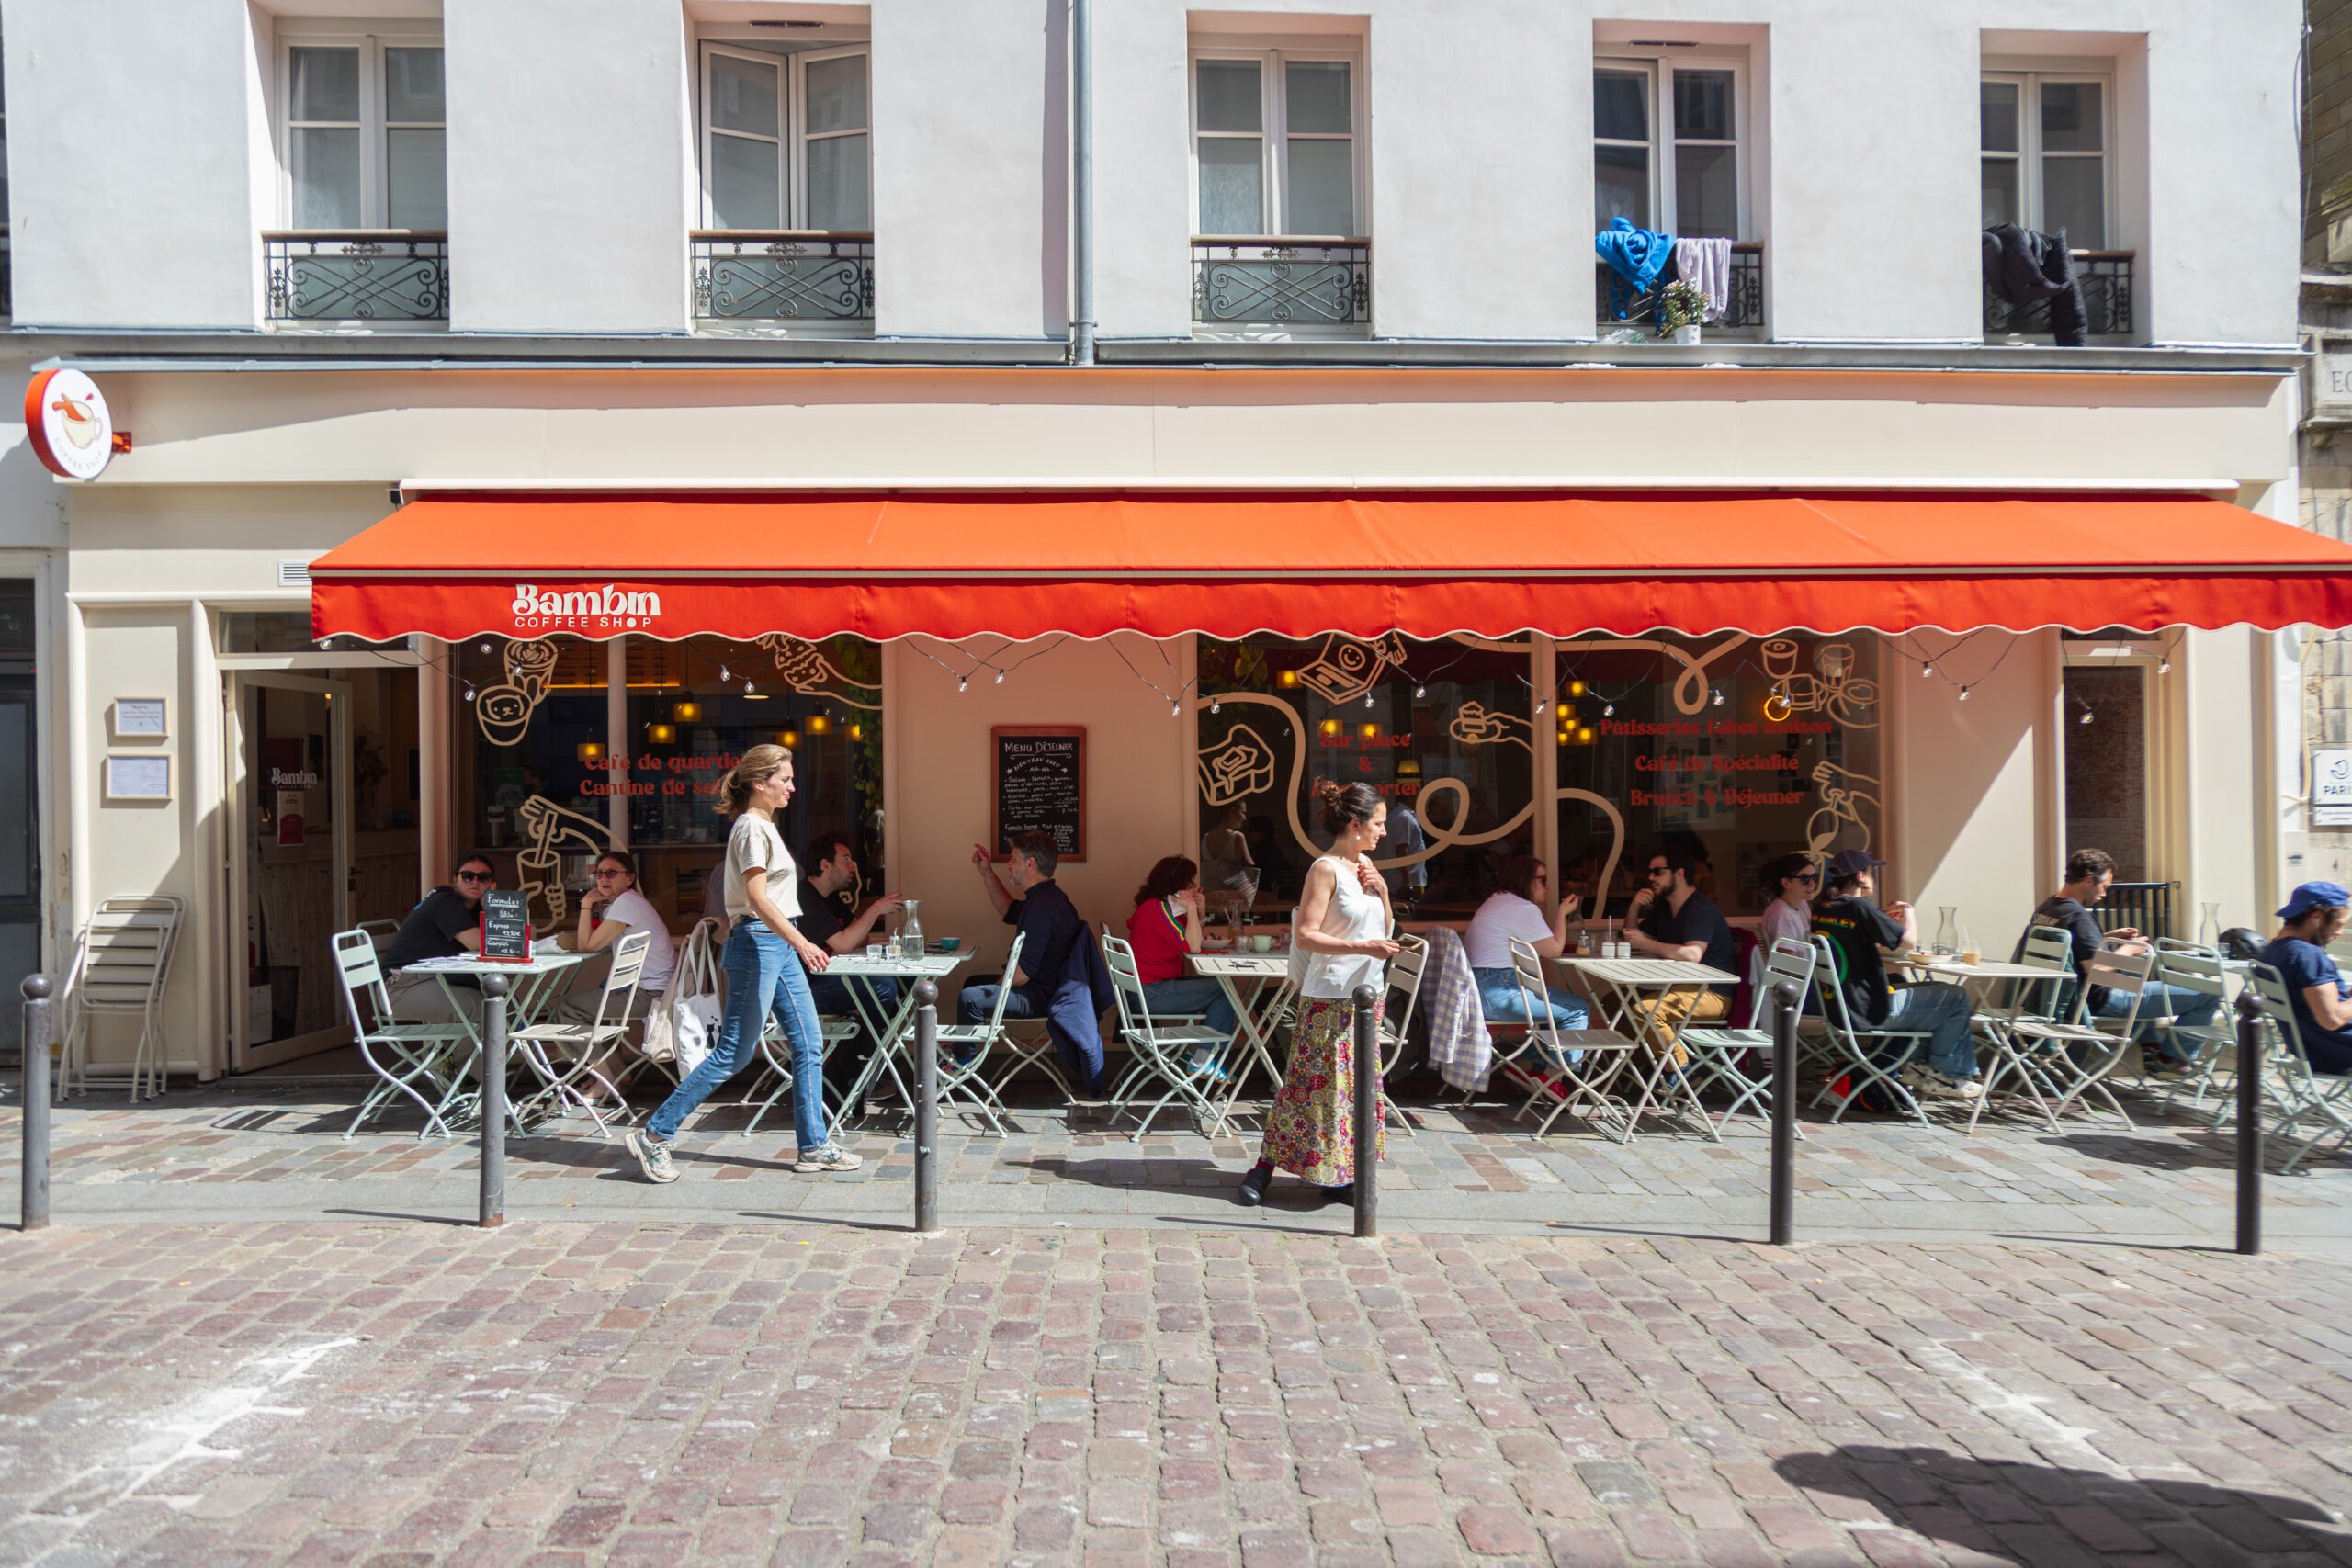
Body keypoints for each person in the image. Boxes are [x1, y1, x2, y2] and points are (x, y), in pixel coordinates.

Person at [625, 745, 860, 1183]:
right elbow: (756, 899)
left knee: (809, 1045)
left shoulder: (763, 826)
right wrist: (803, 942)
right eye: (785, 779)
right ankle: (655, 1134)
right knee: (734, 1052)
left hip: (777, 942)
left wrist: (793, 942)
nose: (792, 785)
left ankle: (813, 1146)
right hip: (760, 941)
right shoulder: (752, 827)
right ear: (760, 782)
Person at [1237, 781, 1398, 1207]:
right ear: (1354, 823)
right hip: (1329, 997)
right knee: (1308, 1088)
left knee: (1351, 1091)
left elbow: (1383, 930)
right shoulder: (1324, 869)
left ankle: (1341, 1175)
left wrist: (1382, 892)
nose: (1383, 831)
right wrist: (1364, 947)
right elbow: (1307, 935)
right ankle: (1263, 1168)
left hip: (1365, 997)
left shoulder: (1363, 867)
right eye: (1378, 823)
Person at [2014, 847, 2222, 1061]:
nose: (2104, 894)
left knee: (2135, 976)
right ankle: (2171, 1059)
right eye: (2104, 887)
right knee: (2208, 995)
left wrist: (2107, 936)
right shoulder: (2078, 915)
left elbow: (2069, 947)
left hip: (2061, 997)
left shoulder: (2048, 908)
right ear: (2088, 880)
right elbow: (2097, 968)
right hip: (2103, 998)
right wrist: (2130, 949)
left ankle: (2150, 1042)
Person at [1811, 850, 1981, 1099]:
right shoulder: (1860, 908)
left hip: (1838, 1007)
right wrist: (1909, 912)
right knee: (1955, 997)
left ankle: (1918, 1068)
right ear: (1861, 875)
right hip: (1868, 1011)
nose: (1874, 877)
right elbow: (1910, 941)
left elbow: (1853, 941)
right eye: (1871, 872)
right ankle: (1950, 1076)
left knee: (1921, 989)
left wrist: (1881, 922)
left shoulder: (1822, 909)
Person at [960, 831, 1101, 1095]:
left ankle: (961, 1065)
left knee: (971, 998)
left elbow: (1022, 974)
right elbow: (1008, 910)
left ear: (1030, 864)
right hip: (1042, 986)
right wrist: (986, 873)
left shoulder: (1044, 908)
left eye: (1013, 859)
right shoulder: (1045, 898)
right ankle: (965, 1054)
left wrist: (996, 988)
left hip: (1040, 995)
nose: (1008, 865)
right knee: (973, 984)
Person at [796, 830, 905, 1099]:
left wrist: (854, 933)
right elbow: (846, 943)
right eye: (845, 859)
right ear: (825, 865)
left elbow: (859, 937)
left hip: (831, 977)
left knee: (905, 983)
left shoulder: (830, 897)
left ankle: (862, 1067)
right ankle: (858, 1070)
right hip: (808, 988)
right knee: (881, 986)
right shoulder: (806, 898)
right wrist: (876, 909)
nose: (852, 866)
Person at [1124, 855, 1238, 1071]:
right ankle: (1202, 1058)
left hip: (1145, 990)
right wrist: (1193, 909)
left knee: (1222, 986)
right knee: (1224, 988)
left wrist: (1199, 912)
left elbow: (1191, 937)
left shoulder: (1156, 908)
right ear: (1177, 885)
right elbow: (1194, 946)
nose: (1195, 887)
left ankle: (1199, 1053)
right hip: (1150, 994)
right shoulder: (1158, 911)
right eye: (1190, 882)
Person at [1463, 854, 1590, 1032]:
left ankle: (1541, 1057)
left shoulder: (1498, 900)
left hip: (1480, 990)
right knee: (1578, 1010)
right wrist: (1562, 913)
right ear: (1525, 880)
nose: (1548, 886)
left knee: (1555, 1012)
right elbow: (1554, 951)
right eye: (1543, 880)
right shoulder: (1522, 908)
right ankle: (1557, 1060)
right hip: (1499, 992)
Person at [1625, 845, 1739, 1038]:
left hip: (1711, 993)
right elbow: (1632, 937)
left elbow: (1692, 954)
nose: (1651, 877)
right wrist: (1635, 906)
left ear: (1679, 873)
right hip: (1677, 987)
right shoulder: (1665, 906)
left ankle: (1679, 1066)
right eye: (1650, 872)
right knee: (1616, 1002)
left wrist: (1645, 943)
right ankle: (1646, 1060)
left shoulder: (1700, 909)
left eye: (1658, 872)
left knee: (1645, 1011)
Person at [381, 852, 498, 1024]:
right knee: (483, 1008)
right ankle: (465, 1053)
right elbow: (479, 943)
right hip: (401, 988)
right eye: (467, 876)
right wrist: (492, 907)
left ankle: (465, 1051)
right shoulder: (444, 902)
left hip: (433, 979)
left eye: (483, 878)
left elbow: (498, 941)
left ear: (490, 884)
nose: (475, 882)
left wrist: (491, 905)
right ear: (454, 880)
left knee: (503, 1003)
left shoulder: (473, 908)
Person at [2260, 881, 2352, 1075]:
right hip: (2338, 1051)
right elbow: (2332, 1019)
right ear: (2317, 918)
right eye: (2339, 925)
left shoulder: (2273, 951)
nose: (2340, 932)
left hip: (2310, 1049)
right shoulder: (2308, 956)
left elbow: (2312, 1002)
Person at [1199, 801, 1259, 915]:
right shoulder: (1237, 837)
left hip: (1210, 896)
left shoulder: (1206, 838)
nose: (1245, 818)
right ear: (1232, 811)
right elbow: (1251, 865)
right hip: (1233, 898)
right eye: (1243, 812)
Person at [1758, 852, 1817, 954]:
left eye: (1815, 877)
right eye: (1805, 879)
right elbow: (1788, 966)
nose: (1812, 884)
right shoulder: (1782, 915)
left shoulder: (1802, 904)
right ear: (1786, 883)